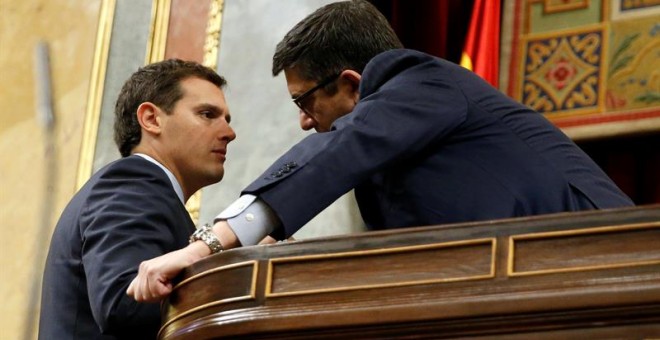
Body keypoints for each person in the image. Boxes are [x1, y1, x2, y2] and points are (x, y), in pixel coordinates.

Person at [126, 0, 633, 303]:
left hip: (608, 267)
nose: (305, 121)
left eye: (304, 101)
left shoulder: (421, 81)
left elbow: (333, 153)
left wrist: (207, 245)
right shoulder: (396, 143)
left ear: (351, 84)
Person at [38, 59, 236, 339]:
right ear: (151, 119)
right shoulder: (133, 181)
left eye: (227, 119)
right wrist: (238, 274)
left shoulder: (144, 189)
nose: (229, 133)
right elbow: (124, 301)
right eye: (207, 114)